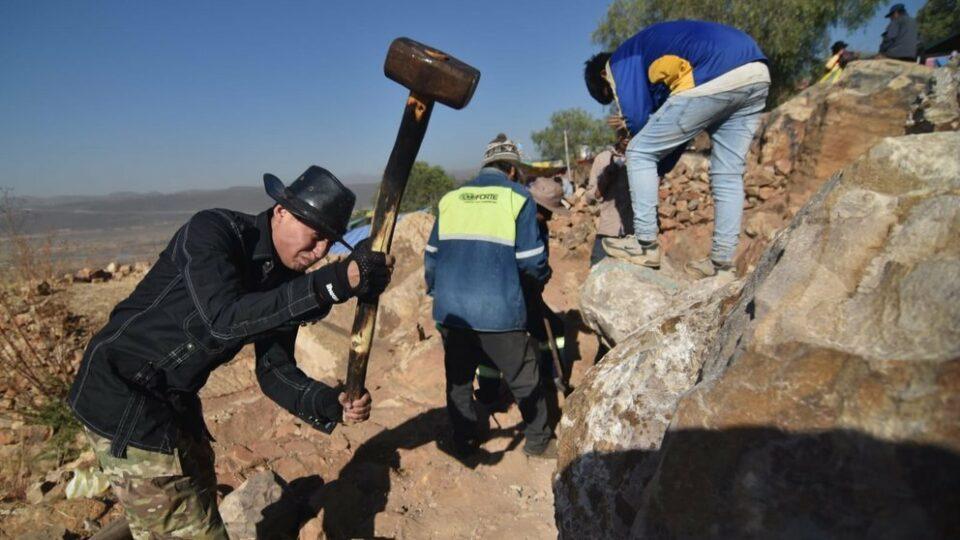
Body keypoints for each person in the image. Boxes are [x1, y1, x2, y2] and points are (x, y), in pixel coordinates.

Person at [67, 166, 393, 539]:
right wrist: (333, 283)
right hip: (123, 396)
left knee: (196, 502)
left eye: (328, 244)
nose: (318, 252)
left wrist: (332, 402)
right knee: (184, 525)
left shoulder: (283, 281)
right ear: (281, 211)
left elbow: (275, 371)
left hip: (175, 403)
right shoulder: (213, 232)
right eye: (314, 235)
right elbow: (222, 318)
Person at [584, 20, 770, 278]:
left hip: (713, 72)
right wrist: (658, 166)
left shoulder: (620, 60)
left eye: (612, 96)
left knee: (638, 151)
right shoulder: (651, 55)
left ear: (604, 78)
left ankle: (645, 244)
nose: (617, 100)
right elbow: (677, 129)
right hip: (755, 70)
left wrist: (643, 154)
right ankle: (721, 262)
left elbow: (638, 120)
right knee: (728, 174)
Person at [424, 133, 555, 458]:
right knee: (525, 378)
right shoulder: (518, 198)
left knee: (458, 381)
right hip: (498, 309)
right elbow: (531, 262)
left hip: (452, 311)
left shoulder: (451, 198)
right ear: (512, 170)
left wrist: (437, 294)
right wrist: (533, 287)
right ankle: (538, 443)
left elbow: (431, 256)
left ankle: (465, 440)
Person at [585, 141, 632, 266]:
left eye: (630, 132)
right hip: (608, 232)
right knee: (596, 276)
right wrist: (605, 180)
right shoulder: (603, 159)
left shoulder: (643, 158)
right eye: (623, 132)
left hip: (634, 235)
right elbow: (590, 197)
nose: (627, 137)